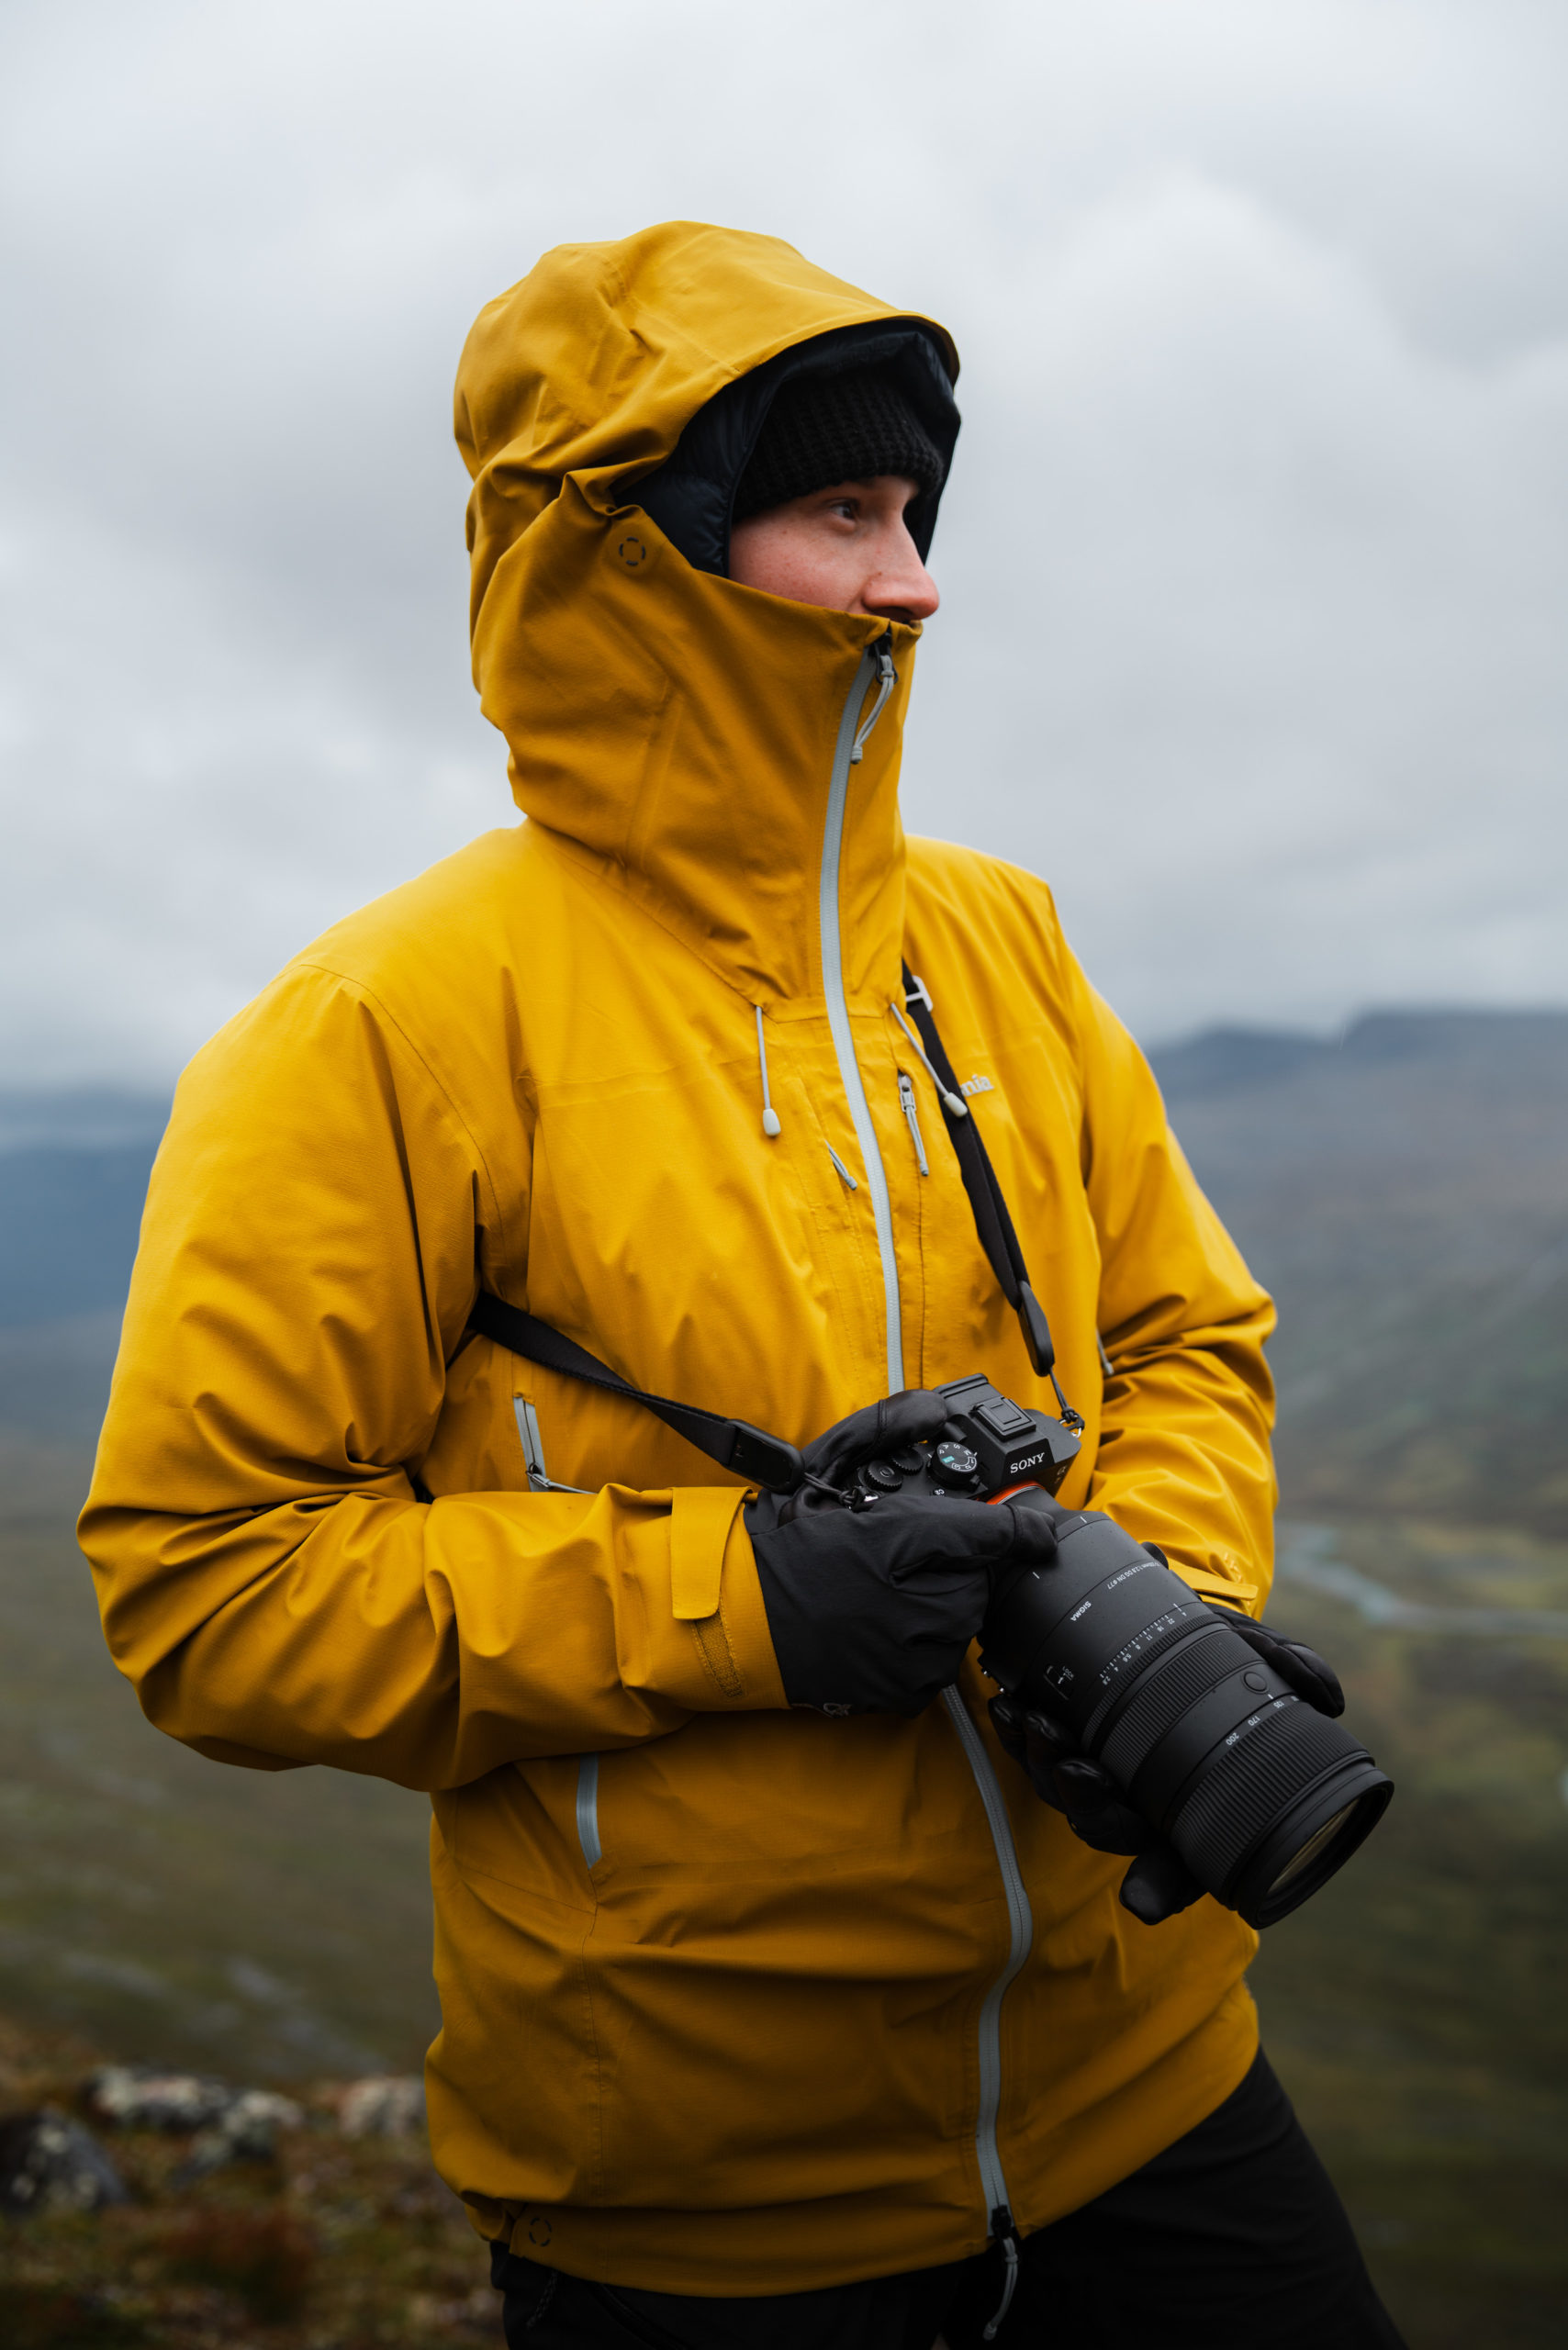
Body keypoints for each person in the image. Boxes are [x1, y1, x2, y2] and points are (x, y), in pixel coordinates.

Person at [80, 222, 1405, 2347]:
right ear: (641, 556)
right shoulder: (381, 1022)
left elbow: (1178, 1335)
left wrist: (1151, 1596)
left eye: (913, 512)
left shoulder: (996, 942)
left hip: (1148, 2084)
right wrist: (740, 1604)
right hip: (695, 2206)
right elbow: (204, 1584)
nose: (914, 579)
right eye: (839, 510)